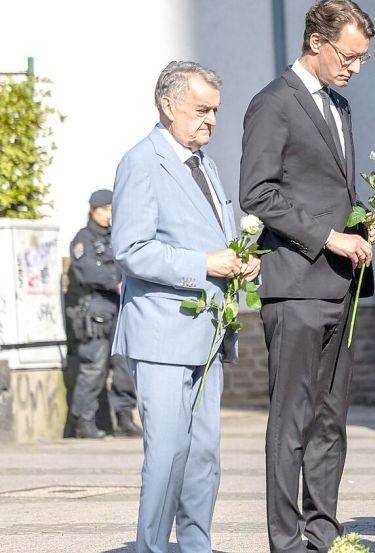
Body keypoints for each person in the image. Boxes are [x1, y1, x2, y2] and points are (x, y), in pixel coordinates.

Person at [238, 1, 375, 550]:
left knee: (330, 422)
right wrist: (328, 237)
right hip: (295, 285)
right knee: (292, 421)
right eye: (349, 56)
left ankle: (323, 533)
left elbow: (323, 190)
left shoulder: (338, 105)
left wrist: (361, 221)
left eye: (363, 58)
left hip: (339, 285)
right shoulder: (273, 103)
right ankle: (287, 541)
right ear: (317, 43)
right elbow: (258, 193)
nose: (355, 68)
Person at [112, 60, 260, 553]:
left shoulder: (206, 164)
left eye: (216, 110)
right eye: (202, 110)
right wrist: (206, 263)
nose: (212, 121)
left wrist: (241, 259)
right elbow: (130, 250)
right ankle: (150, 548)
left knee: (202, 456)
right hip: (160, 331)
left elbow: (215, 238)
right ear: (168, 104)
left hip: (208, 331)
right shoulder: (141, 161)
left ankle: (197, 546)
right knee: (168, 452)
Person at [65, 189, 141, 439]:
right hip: (96, 311)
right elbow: (87, 271)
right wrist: (115, 282)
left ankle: (125, 418)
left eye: (112, 209)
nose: (109, 214)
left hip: (121, 309)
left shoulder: (119, 237)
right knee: (94, 367)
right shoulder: (83, 238)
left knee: (124, 367)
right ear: (93, 210)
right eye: (104, 209)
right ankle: (84, 421)